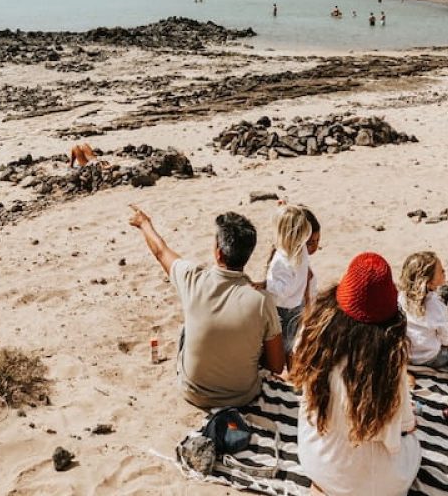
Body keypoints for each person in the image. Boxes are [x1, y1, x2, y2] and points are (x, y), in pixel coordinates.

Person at [128, 206, 284, 409]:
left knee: (187, 329)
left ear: (218, 253)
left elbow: (160, 251)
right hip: (242, 396)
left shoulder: (192, 278)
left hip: (193, 392)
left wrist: (144, 224)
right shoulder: (262, 301)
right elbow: (276, 366)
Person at [292, 252, 420, 496]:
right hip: (379, 485)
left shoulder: (313, 341)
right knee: (411, 443)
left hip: (321, 465)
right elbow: (407, 426)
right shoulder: (390, 366)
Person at [398, 251, 448, 375]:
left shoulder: (401, 298)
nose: (444, 271)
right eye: (441, 271)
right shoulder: (435, 306)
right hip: (431, 358)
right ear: (429, 283)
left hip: (409, 356)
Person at [264, 205, 313, 361]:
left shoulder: (283, 259)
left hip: (284, 308)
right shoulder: (301, 249)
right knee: (292, 343)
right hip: (297, 304)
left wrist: (267, 284)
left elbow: (285, 289)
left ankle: (281, 369)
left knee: (283, 344)